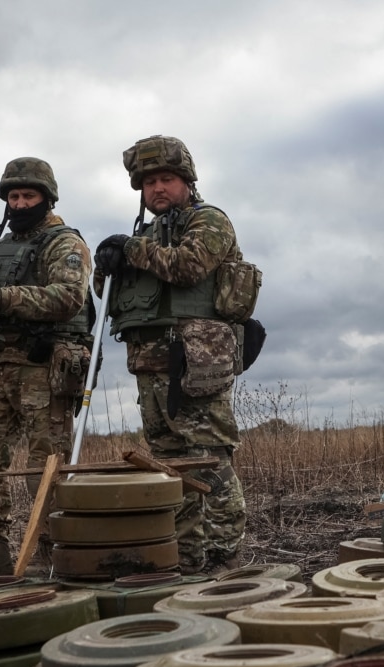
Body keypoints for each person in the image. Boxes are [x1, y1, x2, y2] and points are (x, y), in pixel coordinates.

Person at [94, 135, 246, 574]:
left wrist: (131, 249)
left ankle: (223, 558)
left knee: (209, 459)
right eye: (149, 183)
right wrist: (107, 268)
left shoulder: (210, 221)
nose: (157, 189)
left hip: (195, 362)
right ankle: (187, 556)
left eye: (166, 179)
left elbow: (189, 266)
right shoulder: (146, 236)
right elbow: (111, 298)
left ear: (186, 181)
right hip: (149, 363)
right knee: (171, 465)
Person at [0, 157, 94, 581]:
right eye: (13, 196)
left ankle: (51, 554)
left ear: (46, 198)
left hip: (45, 369)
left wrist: (4, 298)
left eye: (28, 195)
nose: (20, 203)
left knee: (46, 471)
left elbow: (68, 298)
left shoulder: (65, 244)